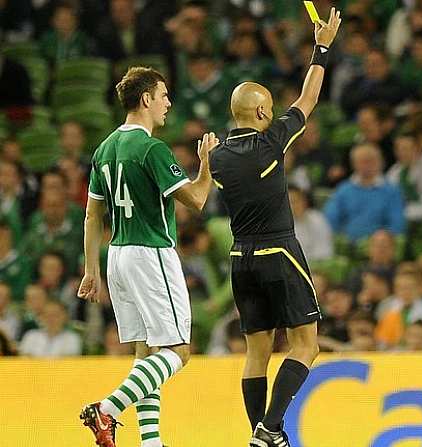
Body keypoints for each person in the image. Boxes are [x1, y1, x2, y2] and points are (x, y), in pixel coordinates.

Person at [209, 8, 341, 447]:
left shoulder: (218, 155)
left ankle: (258, 436)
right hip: (278, 251)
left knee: (256, 353)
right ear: (263, 110)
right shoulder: (270, 142)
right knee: (306, 345)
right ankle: (270, 427)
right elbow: (308, 99)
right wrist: (321, 48)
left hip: (239, 257)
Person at [77, 66, 219, 447]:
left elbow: (93, 214)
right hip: (151, 251)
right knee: (179, 351)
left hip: (117, 255)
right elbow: (198, 200)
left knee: (147, 353)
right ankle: (107, 409)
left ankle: (151, 442)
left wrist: (92, 269)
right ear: (146, 100)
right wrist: (205, 164)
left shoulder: (104, 148)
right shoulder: (152, 149)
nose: (168, 103)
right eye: (163, 95)